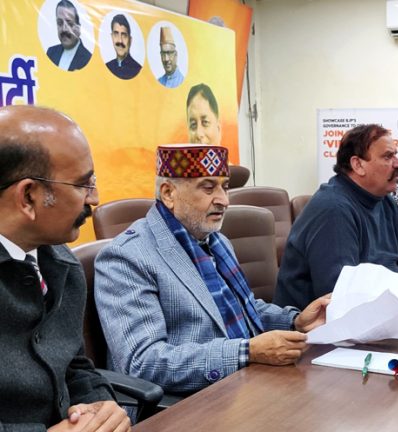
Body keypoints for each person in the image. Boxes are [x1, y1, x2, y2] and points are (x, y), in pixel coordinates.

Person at [94, 144, 329, 395]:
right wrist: (246, 351)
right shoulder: (128, 256)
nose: (224, 200)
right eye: (208, 187)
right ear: (168, 193)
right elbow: (143, 363)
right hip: (188, 405)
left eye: (225, 187)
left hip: (245, 384)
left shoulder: (215, 241)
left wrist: (294, 321)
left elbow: (244, 309)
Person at [0, 105, 129, 431]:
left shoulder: (61, 265)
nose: (95, 198)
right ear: (28, 197)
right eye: (82, 184)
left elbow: (72, 364)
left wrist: (101, 406)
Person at [274, 124, 398, 310]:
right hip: (315, 329)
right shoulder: (333, 209)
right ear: (358, 165)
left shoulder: (386, 202)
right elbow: (338, 293)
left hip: (378, 315)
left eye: (395, 155)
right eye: (388, 157)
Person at [46, 0, 92, 71]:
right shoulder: (51, 52)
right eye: (60, 23)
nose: (64, 29)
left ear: (78, 27)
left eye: (70, 24)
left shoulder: (88, 60)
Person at [105, 14, 141, 80]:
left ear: (130, 40)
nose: (120, 41)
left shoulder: (138, 70)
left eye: (124, 35)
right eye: (116, 34)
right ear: (112, 37)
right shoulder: (107, 67)